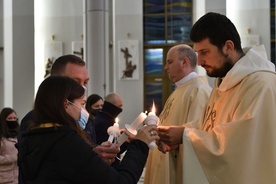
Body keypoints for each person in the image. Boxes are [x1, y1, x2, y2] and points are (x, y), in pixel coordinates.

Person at [157, 12, 276, 184]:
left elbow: (242, 146)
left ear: (228, 47)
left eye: (204, 52)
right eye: (197, 53)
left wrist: (185, 136)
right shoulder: (224, 81)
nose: (199, 61)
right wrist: (175, 135)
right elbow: (207, 124)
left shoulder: (260, 83)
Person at [18, 76, 159, 183]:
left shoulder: (32, 136)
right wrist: (139, 145)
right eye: (82, 104)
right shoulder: (66, 141)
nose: (84, 111)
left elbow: (62, 169)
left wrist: (91, 156)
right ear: (66, 104)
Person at [144, 44, 212, 184]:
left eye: (169, 62)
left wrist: (171, 143)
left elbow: (197, 134)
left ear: (184, 62)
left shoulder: (198, 90)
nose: (165, 67)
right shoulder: (180, 90)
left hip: (178, 167)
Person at [94, 92, 129, 170]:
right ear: (112, 107)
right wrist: (127, 140)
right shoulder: (103, 123)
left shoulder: (102, 118)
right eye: (119, 107)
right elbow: (112, 149)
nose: (121, 110)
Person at [0, 107, 19, 184]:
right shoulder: (1, 137)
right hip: (3, 178)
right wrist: (11, 158)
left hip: (17, 177)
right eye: (10, 118)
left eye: (14, 118)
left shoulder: (19, 134)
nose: (13, 120)